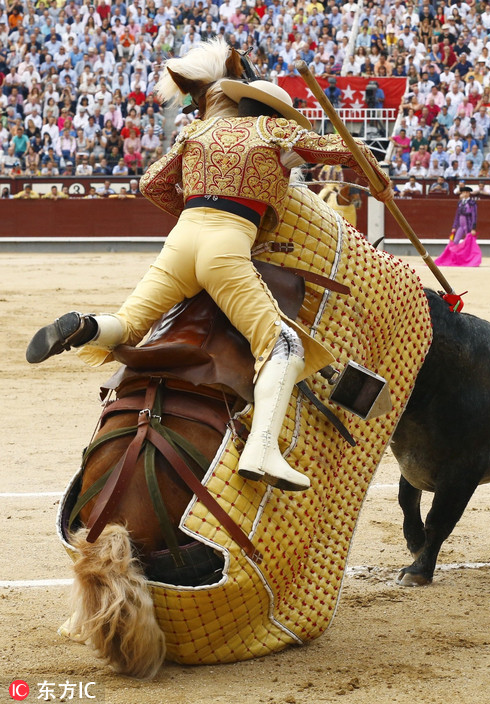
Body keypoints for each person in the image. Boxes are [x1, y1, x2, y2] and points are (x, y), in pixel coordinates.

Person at [26, 42, 393, 493]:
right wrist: (377, 175)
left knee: (129, 322)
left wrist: (191, 205)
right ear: (277, 113)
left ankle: (83, 325)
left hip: (182, 240)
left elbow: (151, 183)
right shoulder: (275, 133)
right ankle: (263, 447)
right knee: (283, 346)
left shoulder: (196, 133)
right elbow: (345, 149)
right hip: (227, 245)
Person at [434, 187, 482, 267]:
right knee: (455, 241)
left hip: (468, 225)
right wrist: (454, 226)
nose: (464, 194)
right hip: (461, 225)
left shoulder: (472, 203)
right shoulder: (460, 202)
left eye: (466, 192)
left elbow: (474, 216)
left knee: (468, 243)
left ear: (468, 193)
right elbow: (457, 215)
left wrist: (473, 228)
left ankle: (469, 260)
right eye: (463, 192)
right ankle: (454, 259)